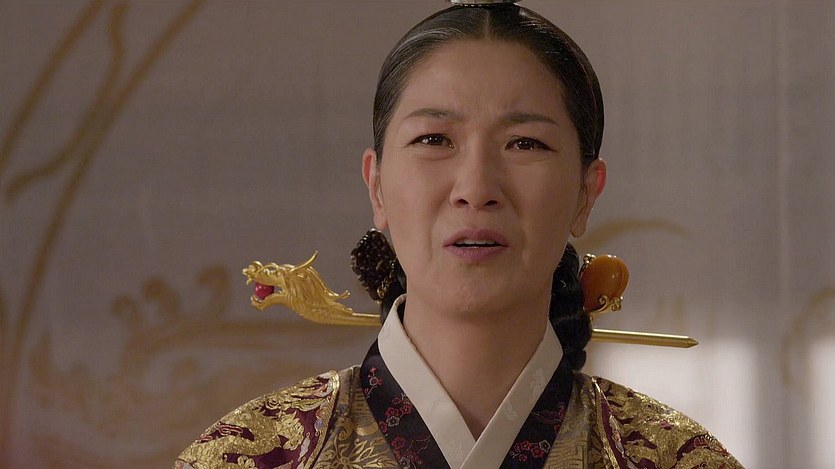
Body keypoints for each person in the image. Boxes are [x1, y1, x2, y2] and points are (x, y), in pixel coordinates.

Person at [175, 2, 743, 468]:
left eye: (525, 144)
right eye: (434, 140)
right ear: (377, 186)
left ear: (584, 194)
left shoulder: (672, 460)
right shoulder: (252, 457)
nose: (476, 188)